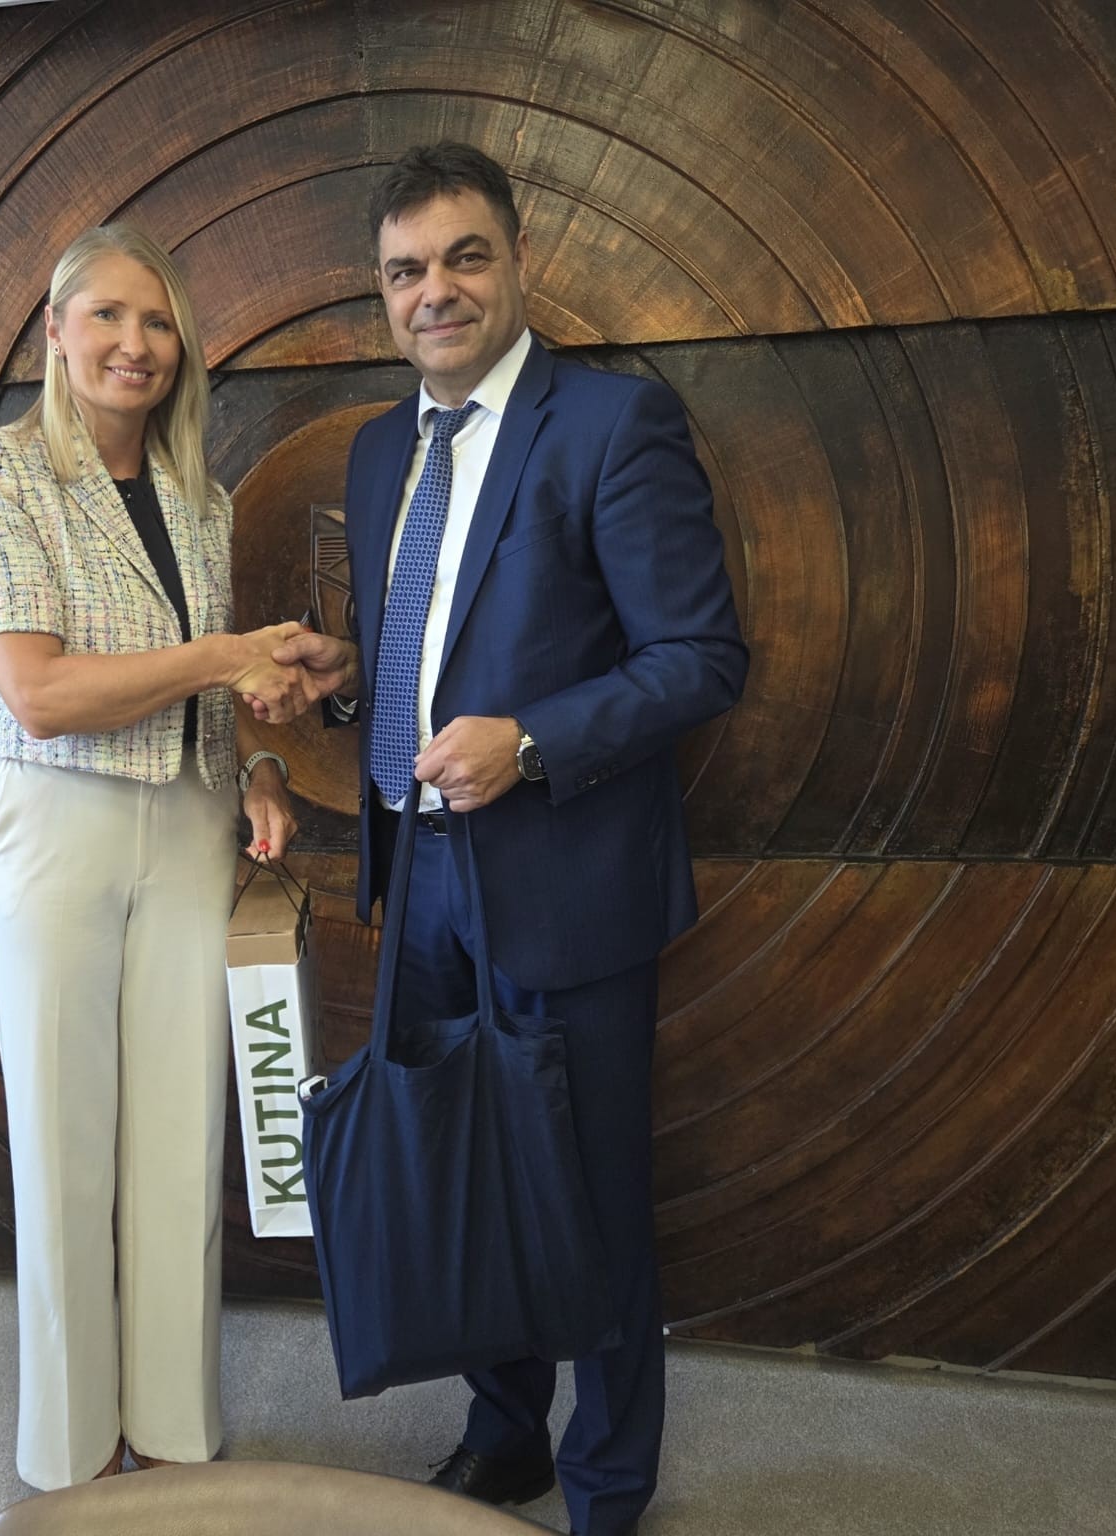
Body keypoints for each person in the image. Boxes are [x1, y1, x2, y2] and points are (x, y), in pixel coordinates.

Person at [270, 144, 748, 1536]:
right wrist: (351, 682)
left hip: (565, 877)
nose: (436, 291)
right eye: (406, 270)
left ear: (518, 261)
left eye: (463, 257)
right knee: (467, 1163)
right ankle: (504, 1435)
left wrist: (528, 740)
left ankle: (606, 1484)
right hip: (415, 872)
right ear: (383, 293)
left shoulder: (611, 424)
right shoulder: (379, 450)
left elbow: (699, 659)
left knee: (588, 1193)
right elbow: (434, 644)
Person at [0, 224, 312, 1491]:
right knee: (62, 1139)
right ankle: (67, 1449)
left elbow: (213, 697)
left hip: (192, 823)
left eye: (157, 324)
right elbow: (38, 695)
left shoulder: (201, 500)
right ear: (55, 330)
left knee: (178, 1134)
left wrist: (257, 769)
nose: (133, 344)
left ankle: (174, 1429)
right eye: (106, 316)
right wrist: (223, 657)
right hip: (59, 822)